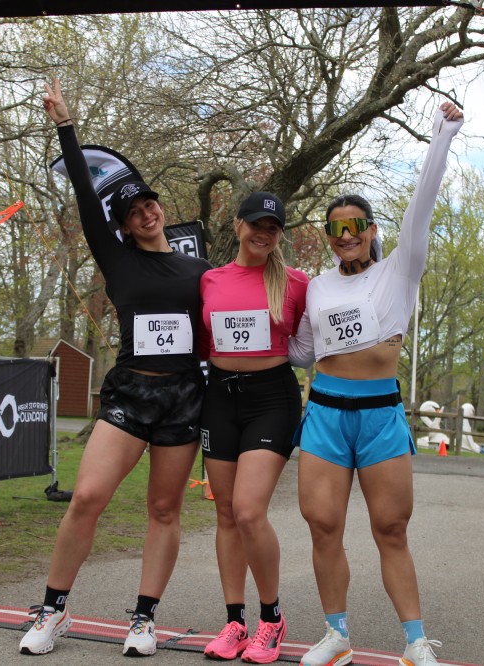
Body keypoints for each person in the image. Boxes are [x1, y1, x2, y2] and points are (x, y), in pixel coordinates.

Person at [19, 79, 211, 657]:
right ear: (122, 224)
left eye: (150, 205)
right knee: (86, 498)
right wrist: (65, 126)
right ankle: (53, 610)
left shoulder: (199, 270)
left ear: (161, 210)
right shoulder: (117, 258)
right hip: (130, 394)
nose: (146, 213)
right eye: (133, 211)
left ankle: (144, 620)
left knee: (164, 509)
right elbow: (84, 195)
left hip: (184, 398)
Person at [289, 101, 464, 666]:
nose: (346, 236)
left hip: (380, 415)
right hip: (325, 414)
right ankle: (337, 636)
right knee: (323, 526)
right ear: (328, 236)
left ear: (370, 231)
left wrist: (442, 134)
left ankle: (415, 643)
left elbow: (422, 204)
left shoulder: (400, 269)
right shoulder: (316, 287)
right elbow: (302, 351)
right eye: (336, 229)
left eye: (355, 226)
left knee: (391, 528)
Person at [196, 192, 309, 663]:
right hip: (220, 398)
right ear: (238, 225)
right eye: (256, 224)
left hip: (271, 400)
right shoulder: (210, 279)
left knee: (247, 510)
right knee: (225, 514)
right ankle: (234, 623)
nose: (263, 233)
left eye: (273, 227)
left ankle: (271, 619)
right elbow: (201, 342)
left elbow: (313, 341)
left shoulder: (297, 283)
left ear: (279, 235)